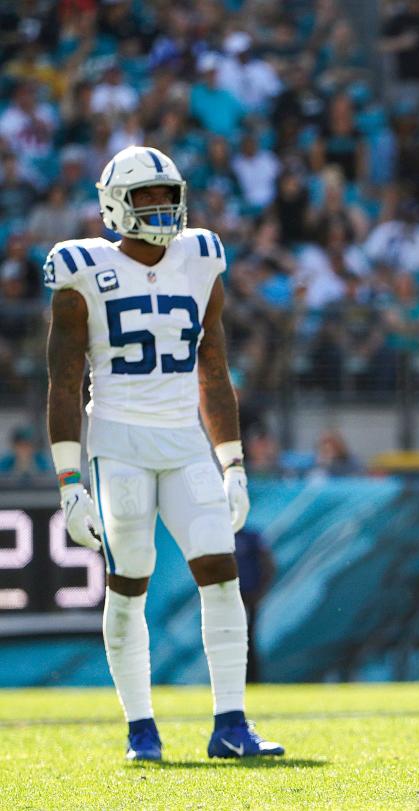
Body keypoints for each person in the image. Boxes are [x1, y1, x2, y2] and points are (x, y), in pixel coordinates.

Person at [44, 145, 284, 761]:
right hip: (119, 444)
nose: (160, 206)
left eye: (166, 193)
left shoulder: (202, 258)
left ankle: (231, 724)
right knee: (130, 583)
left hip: (185, 444)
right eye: (145, 196)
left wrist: (231, 461)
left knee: (222, 575)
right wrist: (70, 482)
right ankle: (141, 729)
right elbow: (64, 382)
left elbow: (214, 369)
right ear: (114, 205)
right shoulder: (80, 269)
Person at [234, 526, 276, 684]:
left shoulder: (250, 537)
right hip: (230, 599)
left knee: (248, 637)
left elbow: (269, 563)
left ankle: (252, 679)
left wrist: (260, 591)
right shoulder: (221, 537)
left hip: (250, 596)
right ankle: (234, 679)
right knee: (231, 638)